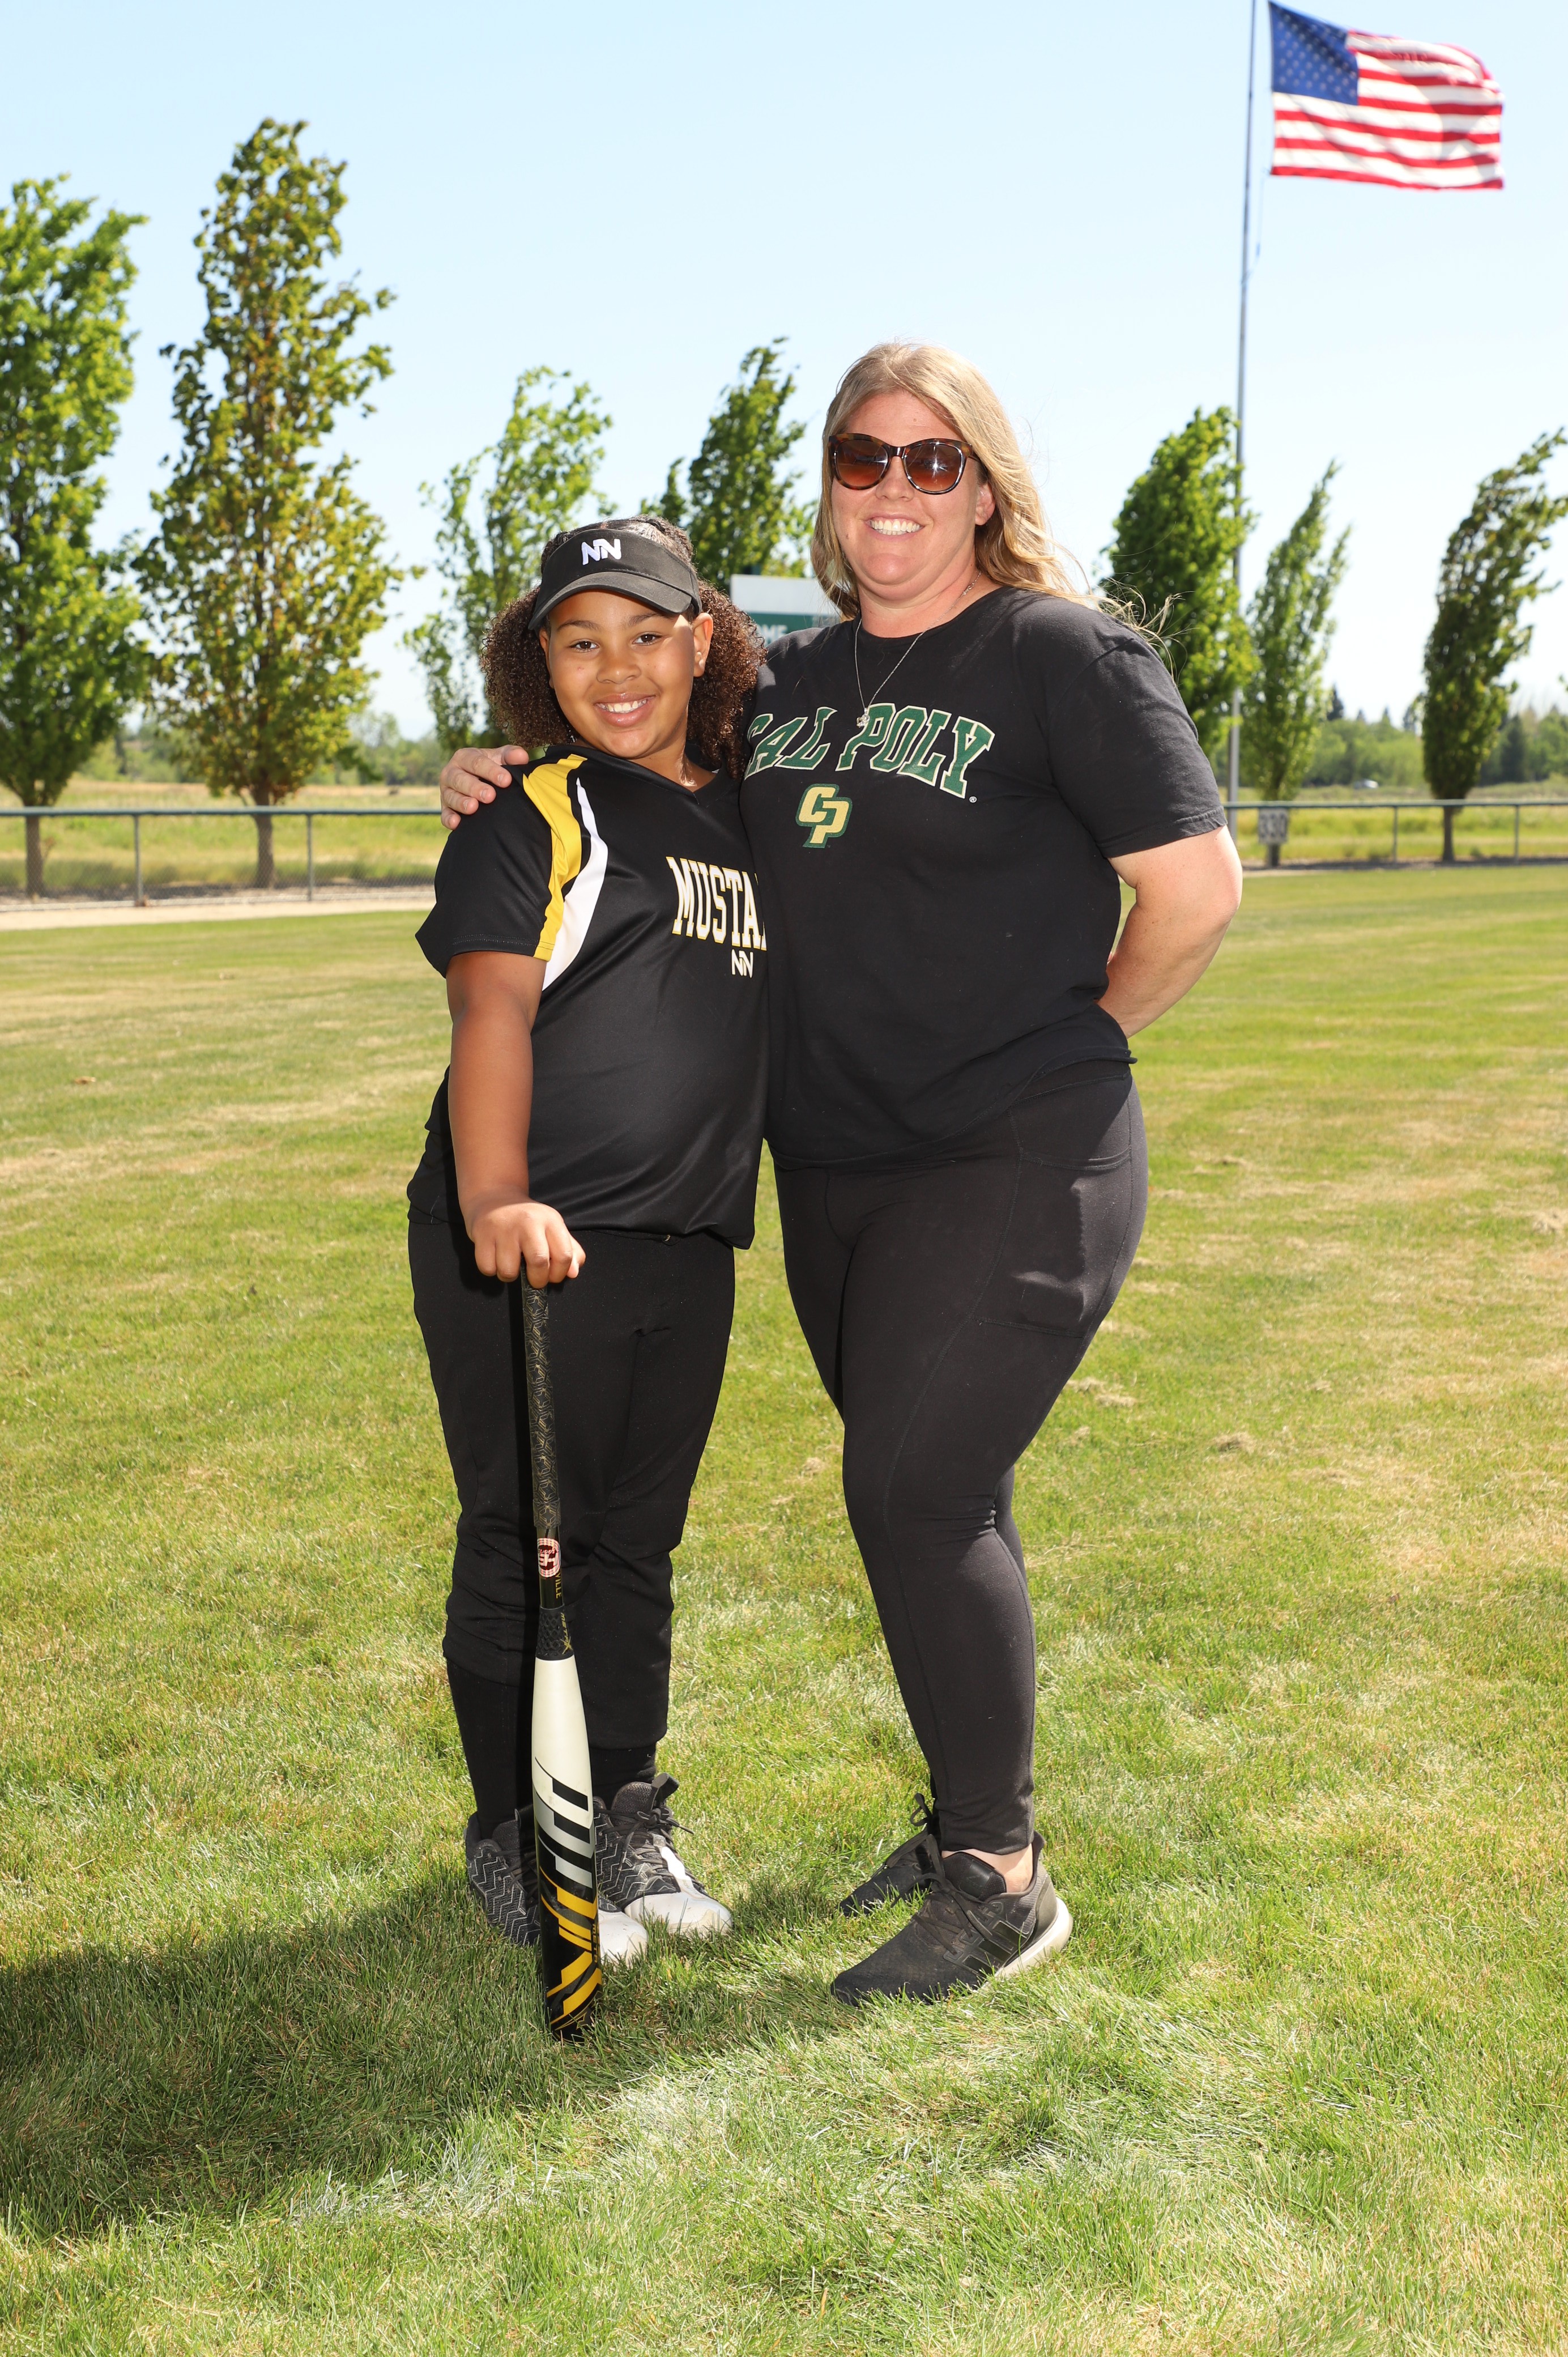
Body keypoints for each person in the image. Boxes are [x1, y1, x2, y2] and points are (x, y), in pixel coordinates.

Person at [437, 343, 1243, 2006]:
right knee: (937, 1489)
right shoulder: (787, 686)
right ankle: (959, 1817)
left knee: (915, 1487)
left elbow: (1195, 891)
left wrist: (1068, 1042)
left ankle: (1000, 1878)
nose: (894, 490)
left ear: (986, 486)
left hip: (1014, 1148)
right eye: (863, 457)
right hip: (833, 1171)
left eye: (933, 462)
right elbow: (639, 764)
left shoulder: (1063, 653)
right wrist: (498, 769)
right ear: (830, 481)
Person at [409, 515, 767, 1964]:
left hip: (689, 1238)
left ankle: (618, 1810)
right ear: (537, 663)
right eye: (578, 640)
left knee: (636, 1544)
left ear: (703, 642)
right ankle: (516, 1835)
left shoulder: (751, 810)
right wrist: (497, 1195)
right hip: (531, 1236)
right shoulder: (534, 809)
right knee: (530, 1537)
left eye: (645, 635)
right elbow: (490, 1003)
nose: (616, 669)